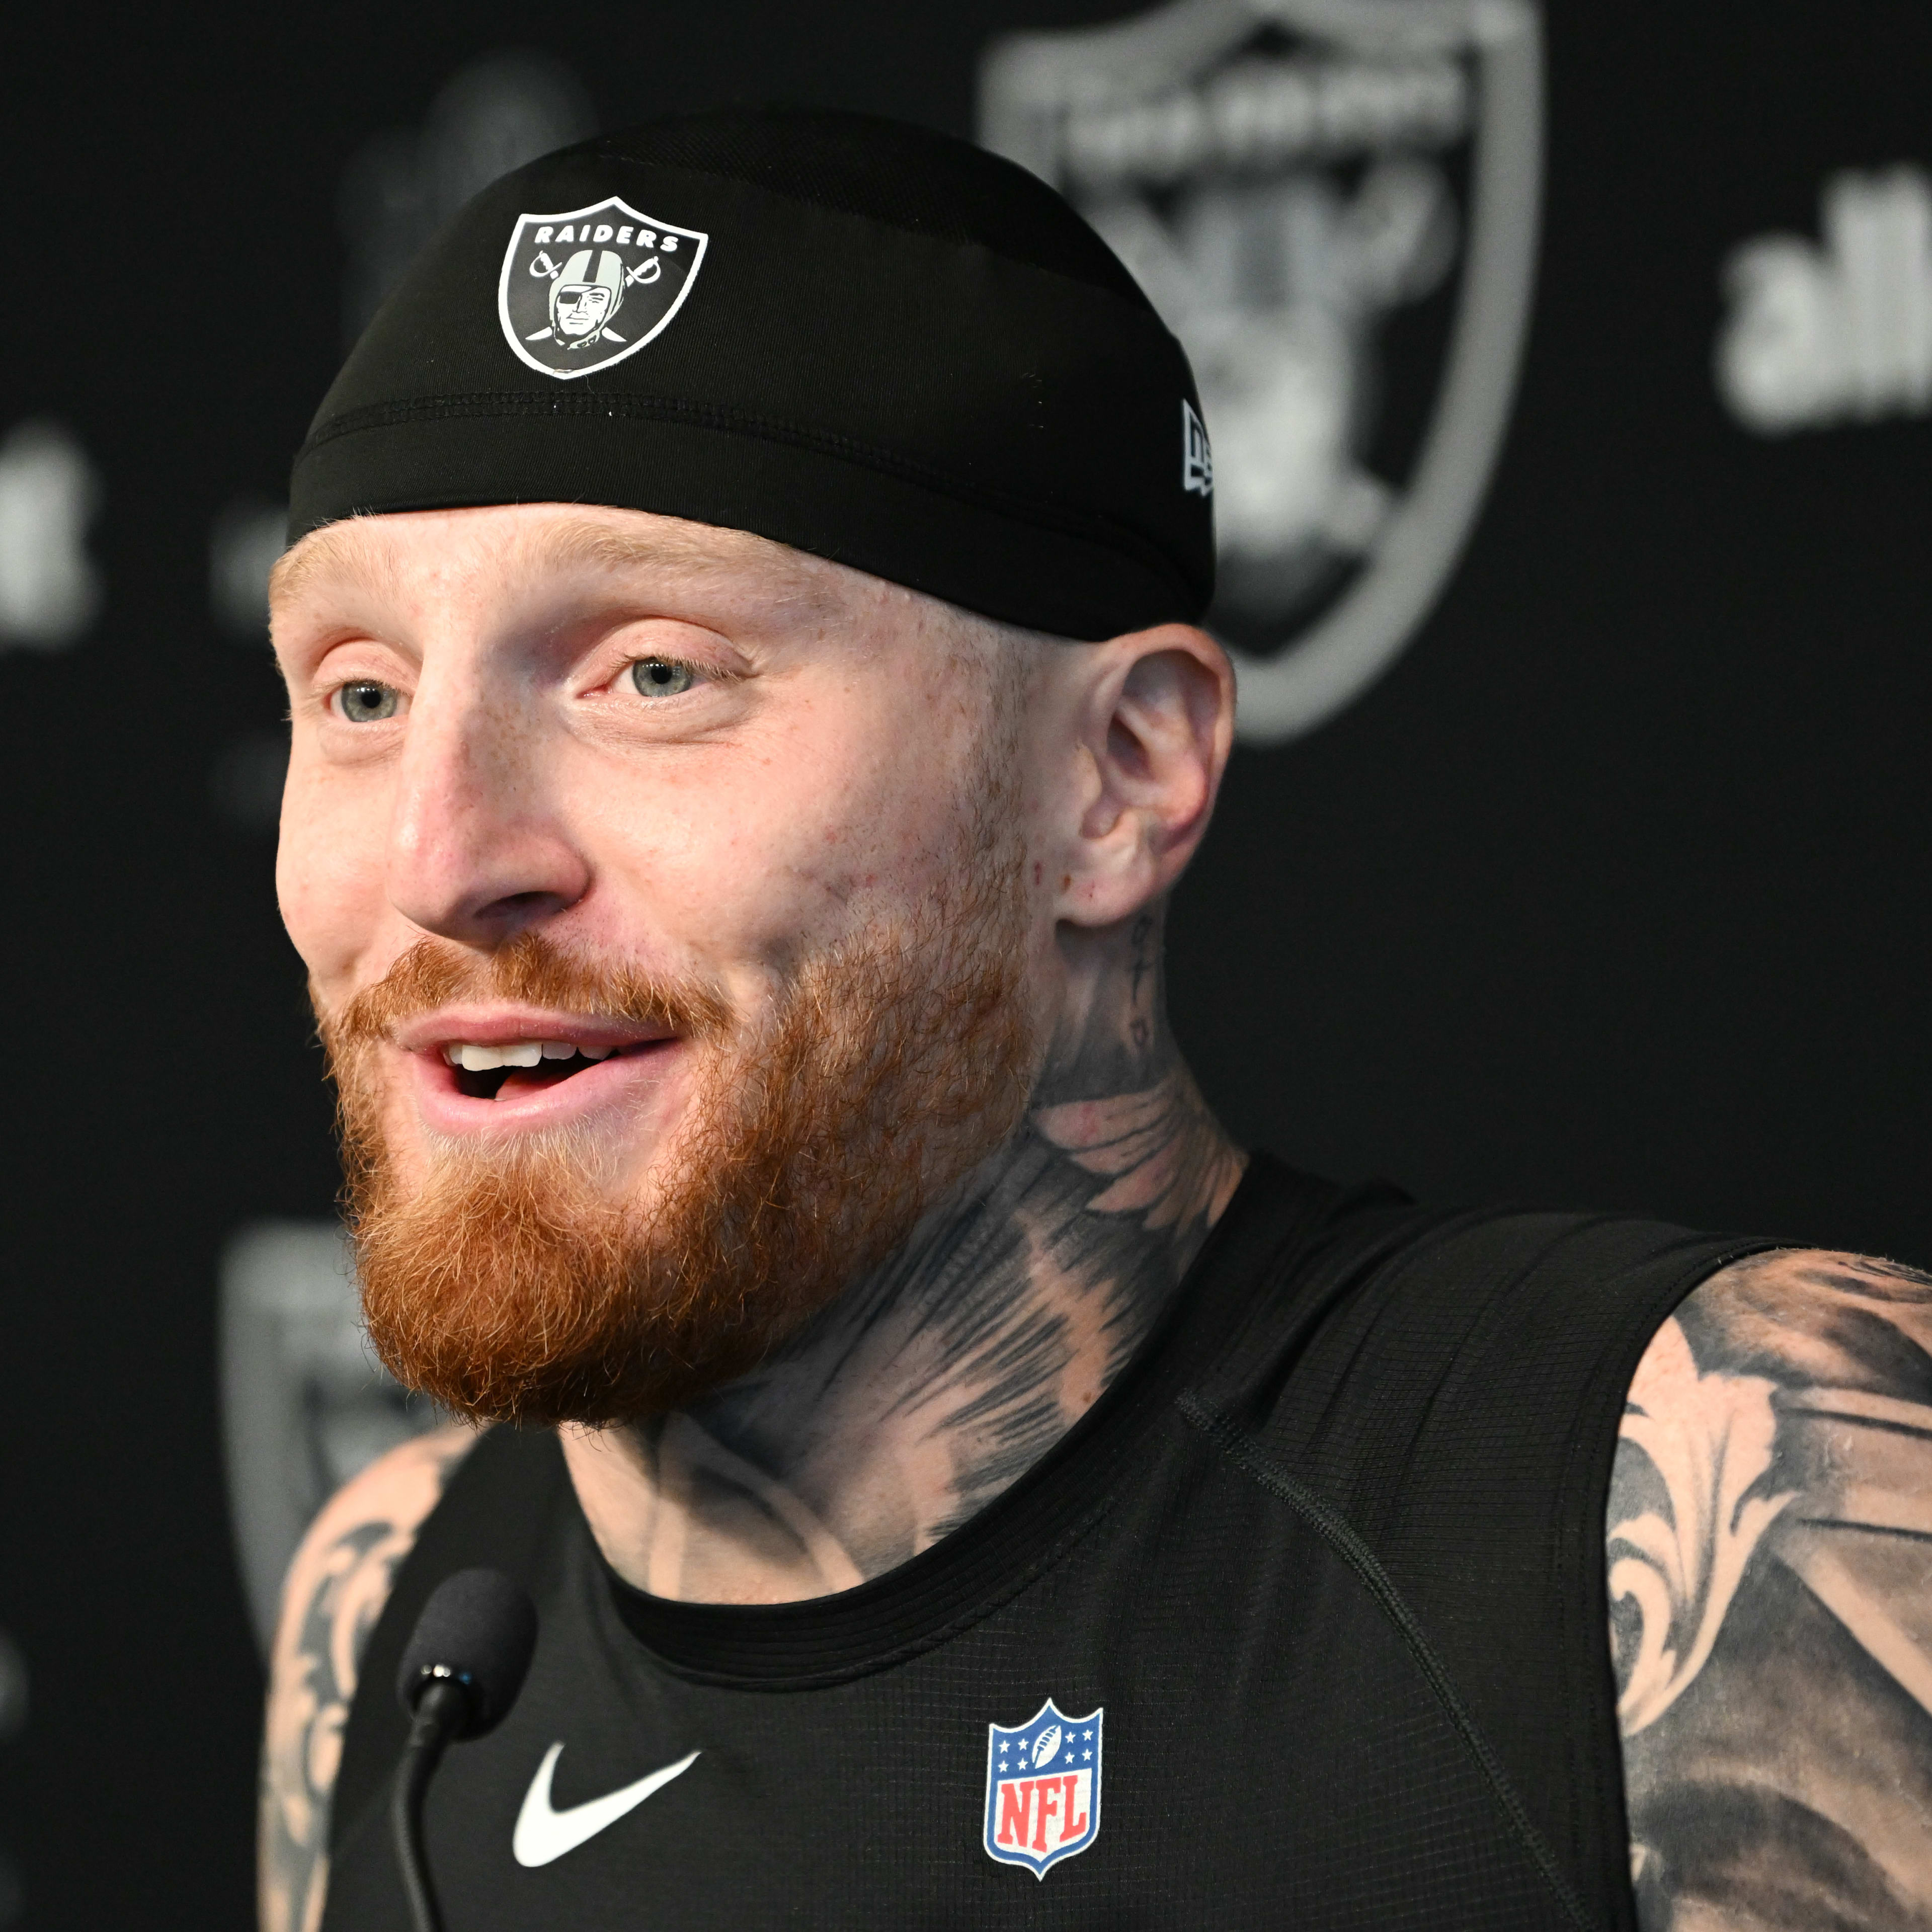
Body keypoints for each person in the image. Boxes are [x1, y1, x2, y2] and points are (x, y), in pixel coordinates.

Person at [258, 107, 1932, 1931]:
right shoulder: (388, 1615)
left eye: (653, 673)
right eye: (360, 696)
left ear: (1120, 776)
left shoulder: (1712, 1493)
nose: (438, 860)